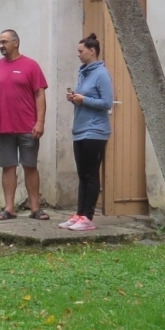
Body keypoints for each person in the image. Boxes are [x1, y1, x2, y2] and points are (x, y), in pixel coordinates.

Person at [0, 29, 49, 220]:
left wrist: (40, 122)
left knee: (30, 166)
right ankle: (9, 208)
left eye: (4, 42)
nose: (1, 46)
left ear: (16, 43)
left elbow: (40, 94)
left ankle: (35, 208)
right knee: (8, 166)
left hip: (28, 126)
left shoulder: (31, 66)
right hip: (4, 125)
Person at [61, 33, 114, 232]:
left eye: (81, 51)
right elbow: (85, 96)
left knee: (91, 174)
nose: (78, 55)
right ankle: (79, 214)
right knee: (82, 174)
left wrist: (84, 100)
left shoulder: (101, 74)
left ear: (92, 51)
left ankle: (88, 217)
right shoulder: (83, 73)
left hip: (95, 131)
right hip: (80, 130)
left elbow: (107, 103)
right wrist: (75, 97)